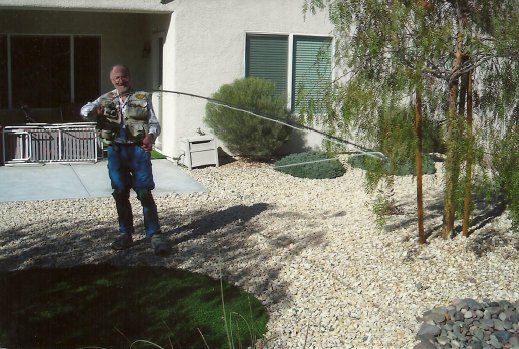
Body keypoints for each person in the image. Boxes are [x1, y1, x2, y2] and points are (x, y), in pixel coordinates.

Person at [80, 64, 168, 255]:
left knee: (144, 192)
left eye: (124, 77)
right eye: (117, 78)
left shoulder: (142, 97)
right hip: (116, 151)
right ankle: (125, 234)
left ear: (129, 77)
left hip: (138, 150)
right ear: (111, 80)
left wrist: (150, 137)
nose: (121, 80)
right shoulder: (104, 99)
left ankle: (154, 235)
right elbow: (84, 110)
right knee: (120, 193)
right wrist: (94, 111)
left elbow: (154, 123)